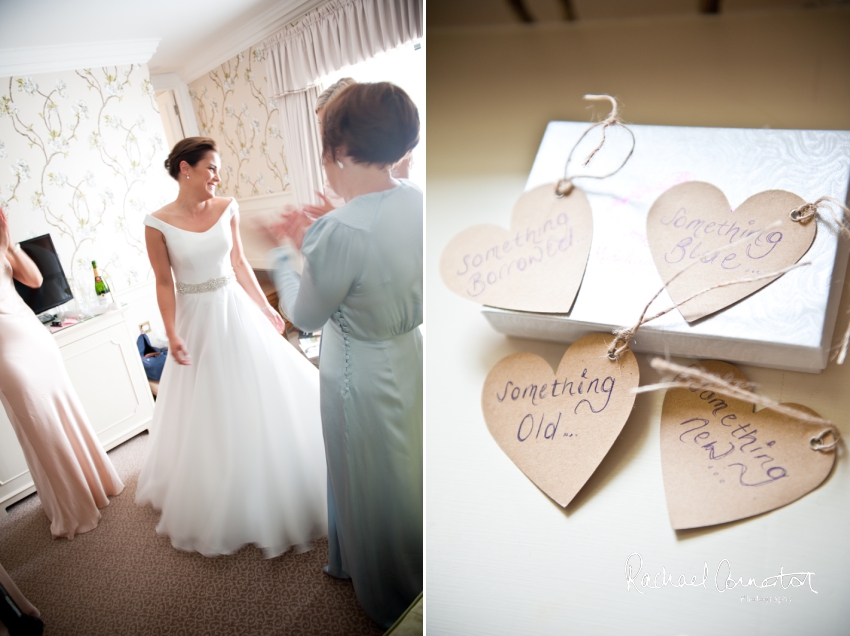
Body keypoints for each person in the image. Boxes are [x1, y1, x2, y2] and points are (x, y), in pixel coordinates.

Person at [269, 82, 423, 628]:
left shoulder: (337, 229)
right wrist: (319, 237)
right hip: (408, 354)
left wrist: (288, 255)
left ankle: (389, 588)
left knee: (365, 473)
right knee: (406, 468)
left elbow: (305, 317)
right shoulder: (419, 199)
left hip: (356, 370)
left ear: (336, 148)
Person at [135, 137, 327, 558]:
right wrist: (171, 331)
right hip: (194, 319)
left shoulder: (228, 207)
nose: (217, 177)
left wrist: (266, 309)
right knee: (208, 403)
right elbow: (164, 282)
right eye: (211, 168)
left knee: (258, 389)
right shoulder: (157, 223)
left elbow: (239, 263)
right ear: (185, 169)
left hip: (234, 309)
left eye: (218, 169)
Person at [0, 208, 124, 539]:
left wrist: (9, 245)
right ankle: (72, 507)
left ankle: (96, 486)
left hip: (34, 338)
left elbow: (35, 280)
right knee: (39, 426)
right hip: (6, 353)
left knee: (65, 411)